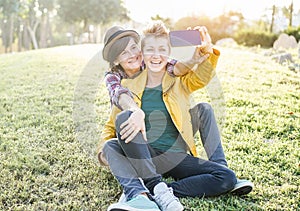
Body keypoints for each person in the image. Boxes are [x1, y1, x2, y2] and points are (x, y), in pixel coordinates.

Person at [98, 21, 252, 211]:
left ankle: (160, 188)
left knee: (205, 112)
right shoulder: (124, 86)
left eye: (133, 49)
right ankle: (150, 187)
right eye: (124, 53)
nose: (133, 55)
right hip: (147, 153)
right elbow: (112, 120)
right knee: (116, 132)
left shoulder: (171, 74)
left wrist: (202, 54)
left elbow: (185, 70)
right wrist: (104, 151)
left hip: (176, 154)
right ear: (116, 60)